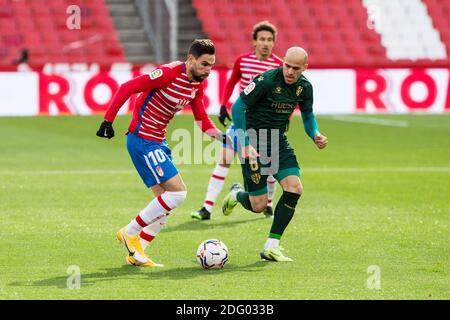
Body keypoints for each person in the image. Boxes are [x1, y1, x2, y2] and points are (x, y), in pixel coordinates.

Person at [96, 39, 226, 267]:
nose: (208, 70)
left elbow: (202, 121)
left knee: (164, 204)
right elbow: (127, 87)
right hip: (143, 139)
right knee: (178, 194)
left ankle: (137, 253)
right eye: (204, 64)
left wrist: (225, 138)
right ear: (191, 60)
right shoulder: (168, 73)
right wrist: (108, 121)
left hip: (157, 140)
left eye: (211, 66)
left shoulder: (197, 84)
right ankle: (130, 231)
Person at [222, 47, 328, 262]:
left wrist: (314, 133)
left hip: (277, 141)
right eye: (287, 65)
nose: (289, 71)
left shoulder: (305, 87)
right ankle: (237, 195)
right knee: (258, 205)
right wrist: (243, 144)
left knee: (294, 188)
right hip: (253, 141)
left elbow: (307, 115)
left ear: (304, 68)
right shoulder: (266, 81)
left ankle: (272, 246)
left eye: (295, 68)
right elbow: (238, 107)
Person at [192, 21, 283, 221]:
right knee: (224, 159)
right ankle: (206, 208)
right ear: (255, 41)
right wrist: (224, 105)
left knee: (269, 166)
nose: (265, 43)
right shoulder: (243, 60)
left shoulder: (279, 65)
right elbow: (231, 82)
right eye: (262, 39)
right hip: (241, 122)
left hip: (265, 124)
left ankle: (268, 204)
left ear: (274, 43)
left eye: (269, 40)